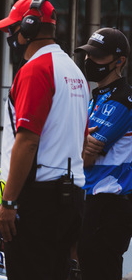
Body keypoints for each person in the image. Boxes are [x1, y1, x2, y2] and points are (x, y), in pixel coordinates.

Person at [0, 0, 90, 280]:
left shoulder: (36, 70)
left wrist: (9, 202)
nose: (11, 35)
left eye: (13, 29)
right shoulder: (75, 72)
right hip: (72, 197)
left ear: (29, 27)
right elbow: (82, 141)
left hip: (38, 199)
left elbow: (27, 140)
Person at [74, 27, 132, 280]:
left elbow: (85, 158)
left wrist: (74, 142)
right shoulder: (94, 96)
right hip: (90, 199)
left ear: (120, 62)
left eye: (97, 56)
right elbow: (80, 149)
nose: (88, 61)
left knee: (101, 270)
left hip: (111, 204)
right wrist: (78, 141)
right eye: (87, 55)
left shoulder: (125, 99)